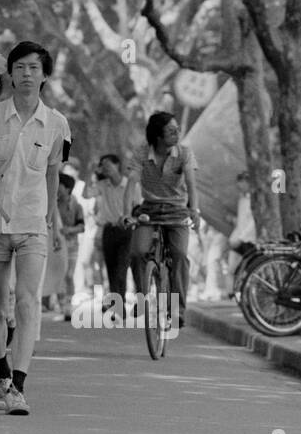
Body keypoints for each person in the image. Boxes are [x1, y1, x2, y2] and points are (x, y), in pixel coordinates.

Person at [0, 41, 70, 416]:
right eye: (20, 67)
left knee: (26, 302)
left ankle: (18, 386)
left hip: (32, 224)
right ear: (10, 72)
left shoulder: (57, 124)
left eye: (34, 68)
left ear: (44, 75)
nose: (26, 74)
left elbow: (54, 171)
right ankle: (1, 368)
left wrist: (51, 218)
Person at [128, 111, 200, 329]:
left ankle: (178, 309)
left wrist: (194, 210)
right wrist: (125, 214)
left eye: (177, 129)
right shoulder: (142, 153)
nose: (177, 133)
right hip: (149, 209)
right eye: (171, 131)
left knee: (179, 254)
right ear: (158, 135)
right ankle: (142, 298)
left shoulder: (184, 153)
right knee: (138, 252)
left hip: (177, 210)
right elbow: (131, 184)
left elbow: (191, 184)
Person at [88, 154, 135, 311]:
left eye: (108, 165)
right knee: (111, 268)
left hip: (126, 230)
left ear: (117, 165)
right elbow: (86, 194)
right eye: (103, 166)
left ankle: (119, 302)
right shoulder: (102, 185)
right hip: (108, 230)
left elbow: (138, 205)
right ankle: (117, 302)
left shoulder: (130, 184)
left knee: (122, 268)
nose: (105, 168)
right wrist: (93, 172)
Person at [49, 172, 85, 320]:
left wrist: (69, 230)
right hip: (56, 246)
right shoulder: (52, 203)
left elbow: (82, 226)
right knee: (58, 276)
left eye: (60, 186)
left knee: (69, 275)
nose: (57, 188)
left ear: (68, 189)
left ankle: (69, 304)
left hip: (71, 245)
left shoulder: (76, 205)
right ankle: (62, 305)